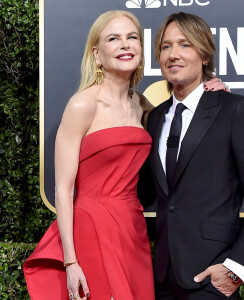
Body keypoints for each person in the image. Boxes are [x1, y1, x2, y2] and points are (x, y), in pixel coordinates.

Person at [23, 10, 226, 300]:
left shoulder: (142, 105)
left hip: (133, 228)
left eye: (132, 37)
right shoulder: (82, 105)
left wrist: (213, 92)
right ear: (97, 53)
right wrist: (71, 262)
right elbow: (64, 190)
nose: (125, 44)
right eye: (113, 38)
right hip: (91, 227)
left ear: (141, 49)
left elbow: (188, 120)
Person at [141, 12, 244, 299]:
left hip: (212, 277)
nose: (173, 54)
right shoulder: (155, 118)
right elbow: (151, 193)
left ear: (205, 55)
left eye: (185, 44)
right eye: (165, 46)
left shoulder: (236, 110)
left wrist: (237, 267)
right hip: (162, 276)